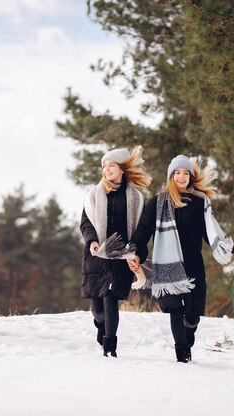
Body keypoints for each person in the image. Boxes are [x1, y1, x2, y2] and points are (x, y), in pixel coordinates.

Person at [127, 155, 234, 362]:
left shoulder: (199, 203)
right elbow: (142, 233)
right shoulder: (157, 203)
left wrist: (222, 245)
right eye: (178, 173)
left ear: (191, 177)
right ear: (171, 176)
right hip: (167, 268)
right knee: (176, 309)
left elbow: (210, 232)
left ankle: (188, 337)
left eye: (186, 173)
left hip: (193, 266)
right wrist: (136, 254)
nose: (182, 176)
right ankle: (182, 356)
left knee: (193, 317)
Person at [80, 146, 151, 357]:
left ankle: (110, 349)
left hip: (120, 258)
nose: (107, 169)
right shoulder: (93, 195)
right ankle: (101, 325)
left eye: (112, 165)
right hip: (97, 256)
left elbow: (141, 229)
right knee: (98, 308)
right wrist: (91, 240)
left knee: (111, 300)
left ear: (122, 168)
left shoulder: (136, 198)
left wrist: (136, 254)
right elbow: (85, 223)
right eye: (104, 166)